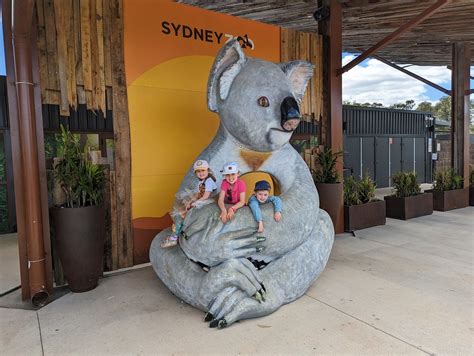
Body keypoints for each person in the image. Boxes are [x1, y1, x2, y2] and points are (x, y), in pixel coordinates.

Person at [161, 159, 217, 248]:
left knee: (183, 213)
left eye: (203, 170)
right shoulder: (202, 181)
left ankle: (174, 237)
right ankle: (178, 233)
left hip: (207, 201)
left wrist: (196, 202)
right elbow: (198, 193)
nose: (201, 173)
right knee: (183, 208)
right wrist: (191, 201)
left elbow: (206, 196)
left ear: (208, 170)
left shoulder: (209, 181)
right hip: (202, 199)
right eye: (198, 171)